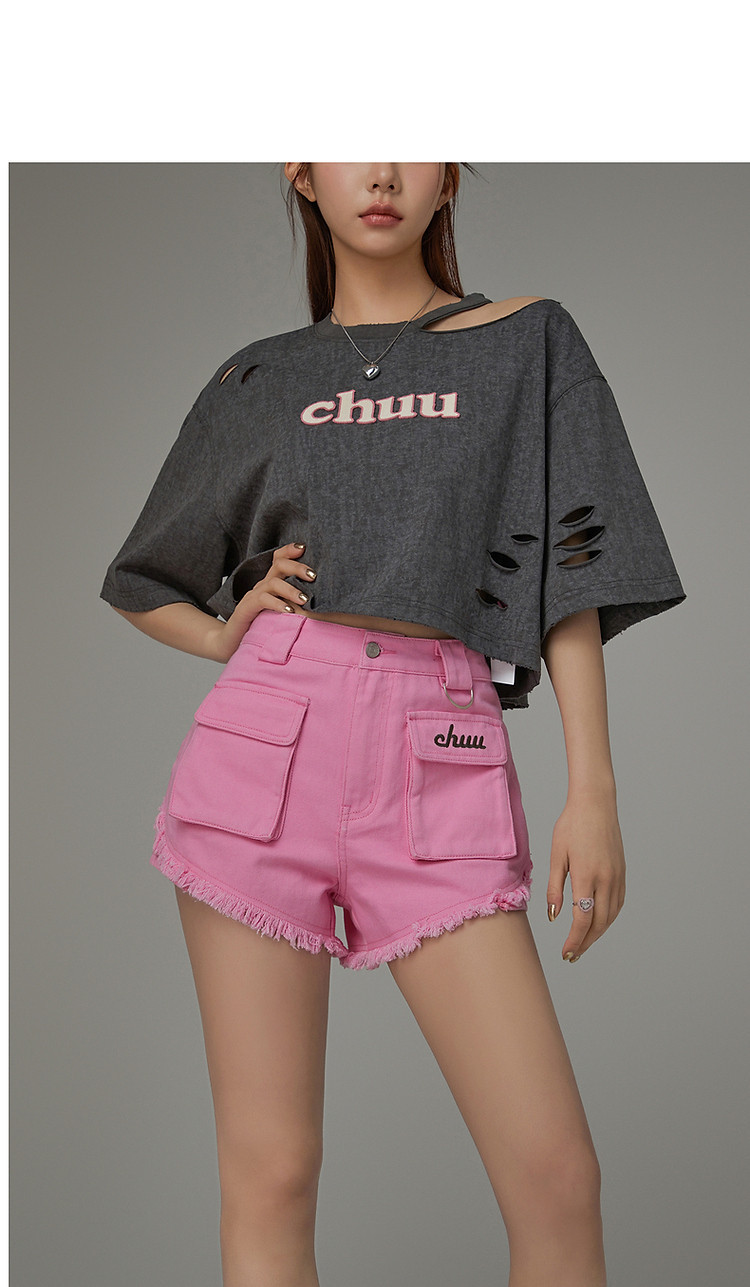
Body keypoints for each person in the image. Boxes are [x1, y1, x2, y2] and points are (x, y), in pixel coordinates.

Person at [100, 163, 686, 1287]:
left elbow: (571, 569)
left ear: (452, 172)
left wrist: (594, 786)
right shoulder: (260, 376)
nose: (382, 171)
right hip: (265, 752)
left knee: (556, 1178)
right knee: (270, 1175)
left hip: (438, 752)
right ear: (301, 170)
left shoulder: (528, 341)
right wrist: (226, 634)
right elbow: (146, 576)